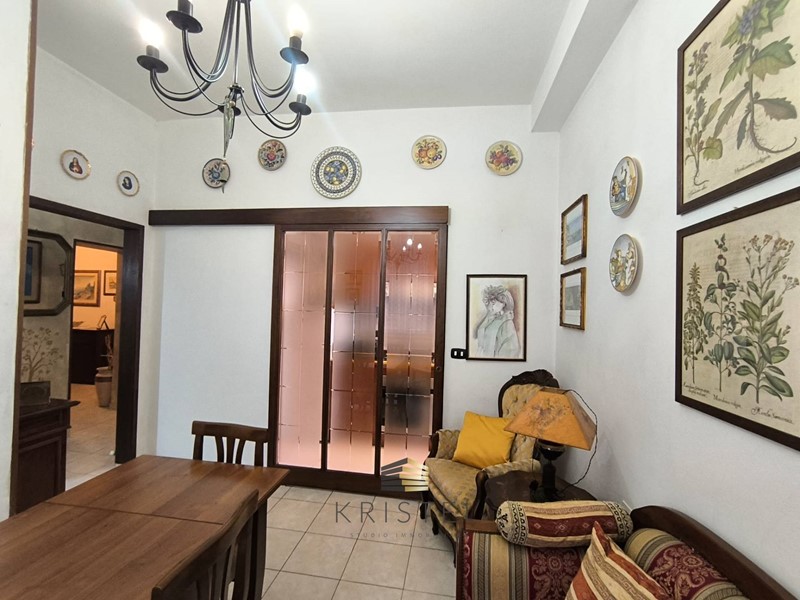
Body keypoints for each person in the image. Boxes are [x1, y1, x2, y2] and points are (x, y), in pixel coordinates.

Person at [474, 285, 521, 358]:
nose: (490, 306)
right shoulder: (489, 318)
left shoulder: (507, 323)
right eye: (489, 302)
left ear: (503, 303)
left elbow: (511, 350)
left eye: (494, 302)